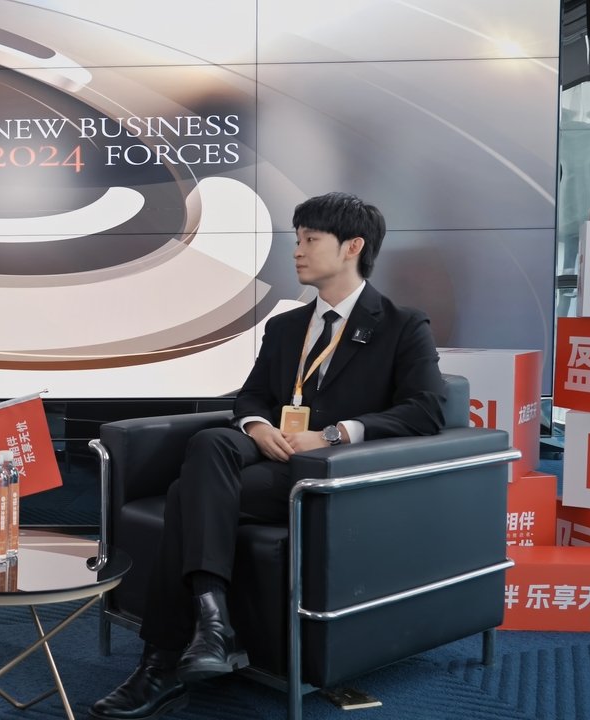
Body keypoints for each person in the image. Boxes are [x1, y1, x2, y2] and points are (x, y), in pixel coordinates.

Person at [90, 192, 446, 720]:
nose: (297, 251)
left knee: (186, 495)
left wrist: (334, 435)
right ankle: (213, 624)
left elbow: (427, 410)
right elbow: (252, 396)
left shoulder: (402, 325)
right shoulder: (285, 327)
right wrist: (256, 427)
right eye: (297, 240)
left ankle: (164, 662)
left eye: (310, 240)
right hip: (266, 454)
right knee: (210, 442)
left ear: (353, 247)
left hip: (324, 473)